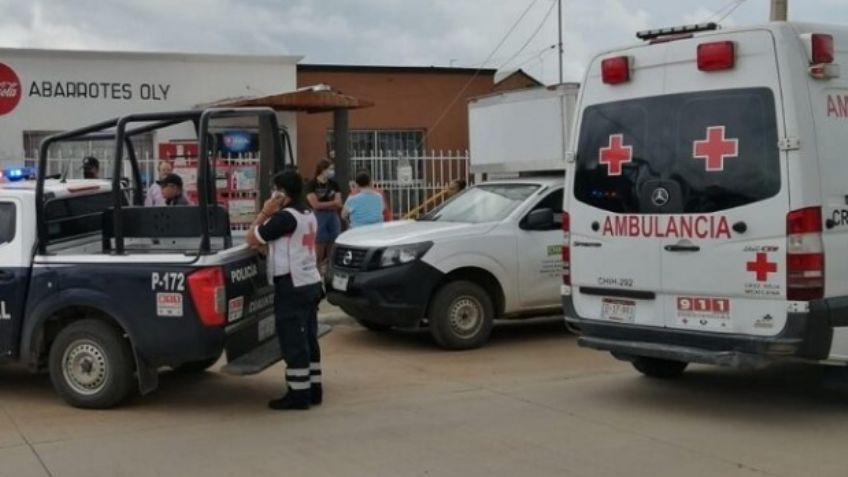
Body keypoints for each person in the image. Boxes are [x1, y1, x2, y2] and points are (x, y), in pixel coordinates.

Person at [246, 170, 323, 410]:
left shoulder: (284, 218)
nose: (272, 194)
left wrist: (265, 212)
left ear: (282, 193)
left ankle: (298, 395)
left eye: (275, 190)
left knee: (293, 340)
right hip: (310, 281)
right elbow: (285, 245)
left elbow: (252, 237)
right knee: (309, 338)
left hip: (293, 285)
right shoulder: (308, 212)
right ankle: (314, 389)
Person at [305, 159, 342, 272]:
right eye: (330, 168)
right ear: (322, 169)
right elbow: (315, 204)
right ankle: (316, 270)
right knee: (319, 243)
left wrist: (325, 205)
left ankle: (330, 270)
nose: (332, 171)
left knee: (333, 241)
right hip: (319, 216)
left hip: (333, 216)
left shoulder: (334, 184)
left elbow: (339, 203)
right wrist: (332, 203)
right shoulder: (311, 184)